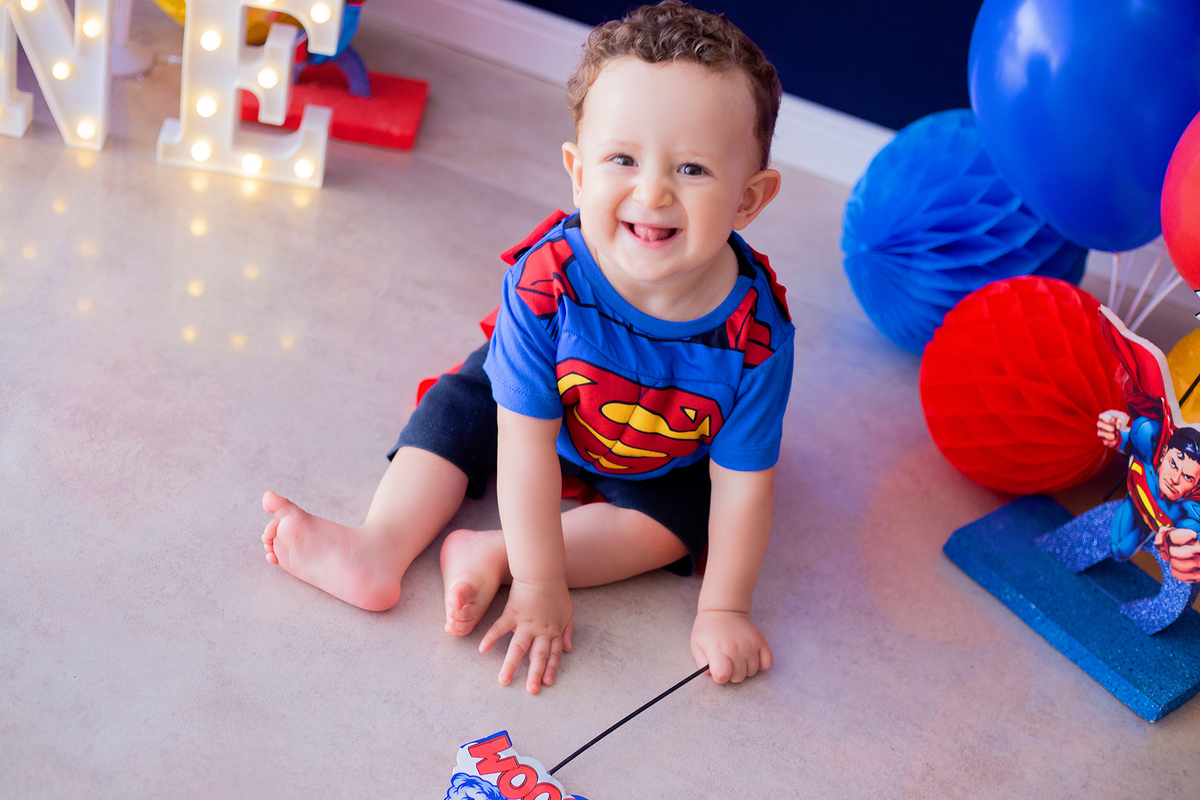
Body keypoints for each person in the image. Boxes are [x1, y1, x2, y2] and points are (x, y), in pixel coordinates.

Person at [260, 0, 793, 694]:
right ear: (578, 173)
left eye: (691, 169)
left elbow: (745, 489)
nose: (653, 190)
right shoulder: (547, 284)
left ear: (750, 199)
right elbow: (524, 444)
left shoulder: (755, 337)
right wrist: (543, 589)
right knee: (459, 404)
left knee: (685, 519)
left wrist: (726, 608)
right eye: (622, 158)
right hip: (545, 410)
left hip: (667, 447)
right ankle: (380, 544)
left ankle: (495, 552)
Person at [1097, 410, 1200, 577]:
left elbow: (1192, 533)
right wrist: (1113, 431)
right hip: (1134, 502)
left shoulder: (1191, 510)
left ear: (1196, 486)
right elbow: (1123, 439)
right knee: (1118, 547)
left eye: (1187, 477)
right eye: (1173, 464)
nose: (1175, 479)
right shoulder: (1146, 440)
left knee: (1122, 549)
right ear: (1164, 452)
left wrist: (1186, 546)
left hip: (1155, 524)